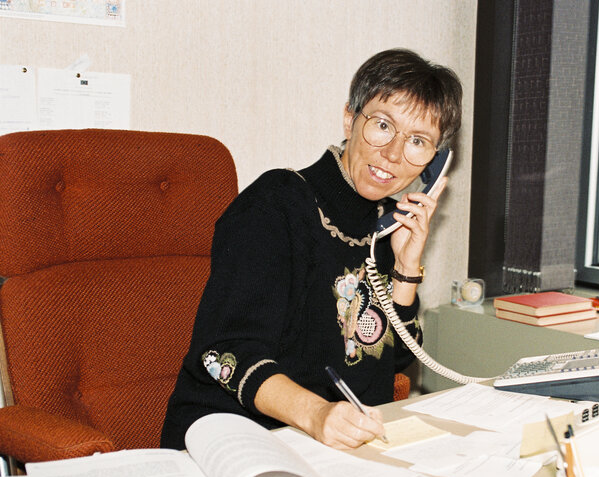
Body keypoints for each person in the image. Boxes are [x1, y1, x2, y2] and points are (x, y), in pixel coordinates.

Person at [161, 48, 462, 450]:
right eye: (383, 125)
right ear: (350, 119)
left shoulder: (386, 227)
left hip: (336, 448)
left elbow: (394, 362)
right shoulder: (274, 205)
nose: (393, 154)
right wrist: (316, 414)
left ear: (432, 161)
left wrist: (407, 267)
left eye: (418, 141)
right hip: (236, 440)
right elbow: (224, 353)